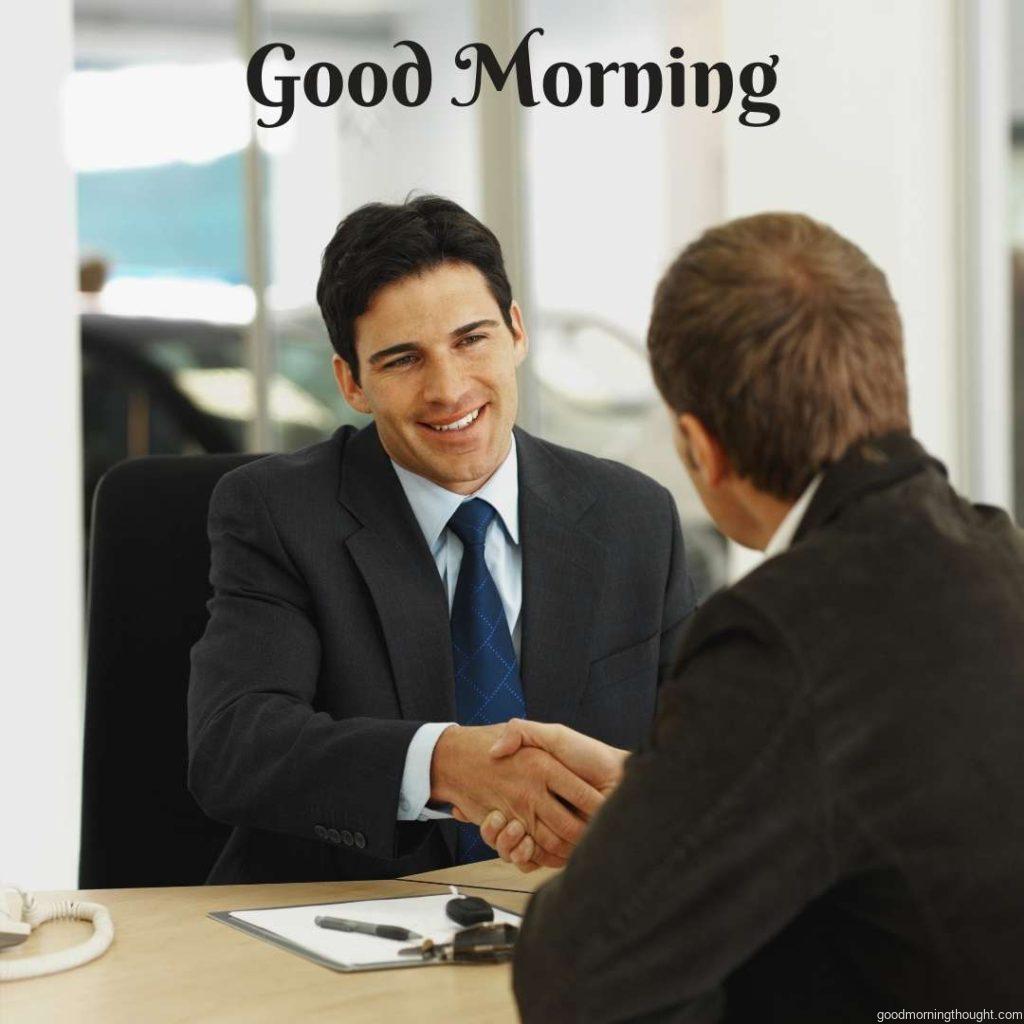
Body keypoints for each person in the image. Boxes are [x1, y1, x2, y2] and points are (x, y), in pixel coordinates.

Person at [506, 212, 1024, 1019]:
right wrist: (664, 803)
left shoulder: (781, 635)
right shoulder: (998, 553)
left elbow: (578, 974)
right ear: (890, 376)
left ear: (697, 447)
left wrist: (630, 847)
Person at [186, 195, 695, 884]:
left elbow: (696, 762)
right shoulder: (276, 513)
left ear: (516, 332)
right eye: (403, 360)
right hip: (336, 928)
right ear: (351, 382)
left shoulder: (634, 517)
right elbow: (234, 746)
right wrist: (447, 765)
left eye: (470, 340)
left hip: (571, 928)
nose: (449, 389)